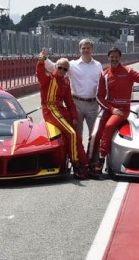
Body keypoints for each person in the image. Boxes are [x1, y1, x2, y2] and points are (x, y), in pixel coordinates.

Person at [90, 47, 139, 174]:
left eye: (116, 57)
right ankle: (90, 161)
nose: (114, 59)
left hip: (123, 110)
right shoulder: (105, 74)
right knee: (95, 133)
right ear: (108, 58)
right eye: (111, 57)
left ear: (120, 58)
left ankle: (101, 160)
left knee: (108, 127)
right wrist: (112, 109)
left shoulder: (128, 71)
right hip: (109, 109)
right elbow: (99, 96)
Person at [36, 49, 95, 180]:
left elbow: (69, 102)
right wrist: (41, 61)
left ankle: (85, 165)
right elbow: (39, 72)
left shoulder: (66, 82)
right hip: (50, 109)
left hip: (61, 110)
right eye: (60, 68)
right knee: (72, 134)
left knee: (77, 138)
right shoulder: (48, 78)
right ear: (55, 67)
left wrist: (74, 116)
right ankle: (76, 166)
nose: (62, 71)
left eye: (65, 69)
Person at [45, 38, 103, 163]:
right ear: (80, 49)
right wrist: (44, 59)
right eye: (83, 48)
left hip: (93, 104)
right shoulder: (72, 65)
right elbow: (53, 68)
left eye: (88, 48)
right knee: (77, 135)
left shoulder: (98, 66)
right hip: (76, 103)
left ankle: (93, 161)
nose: (86, 50)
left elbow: (103, 84)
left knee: (95, 135)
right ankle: (79, 161)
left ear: (92, 49)